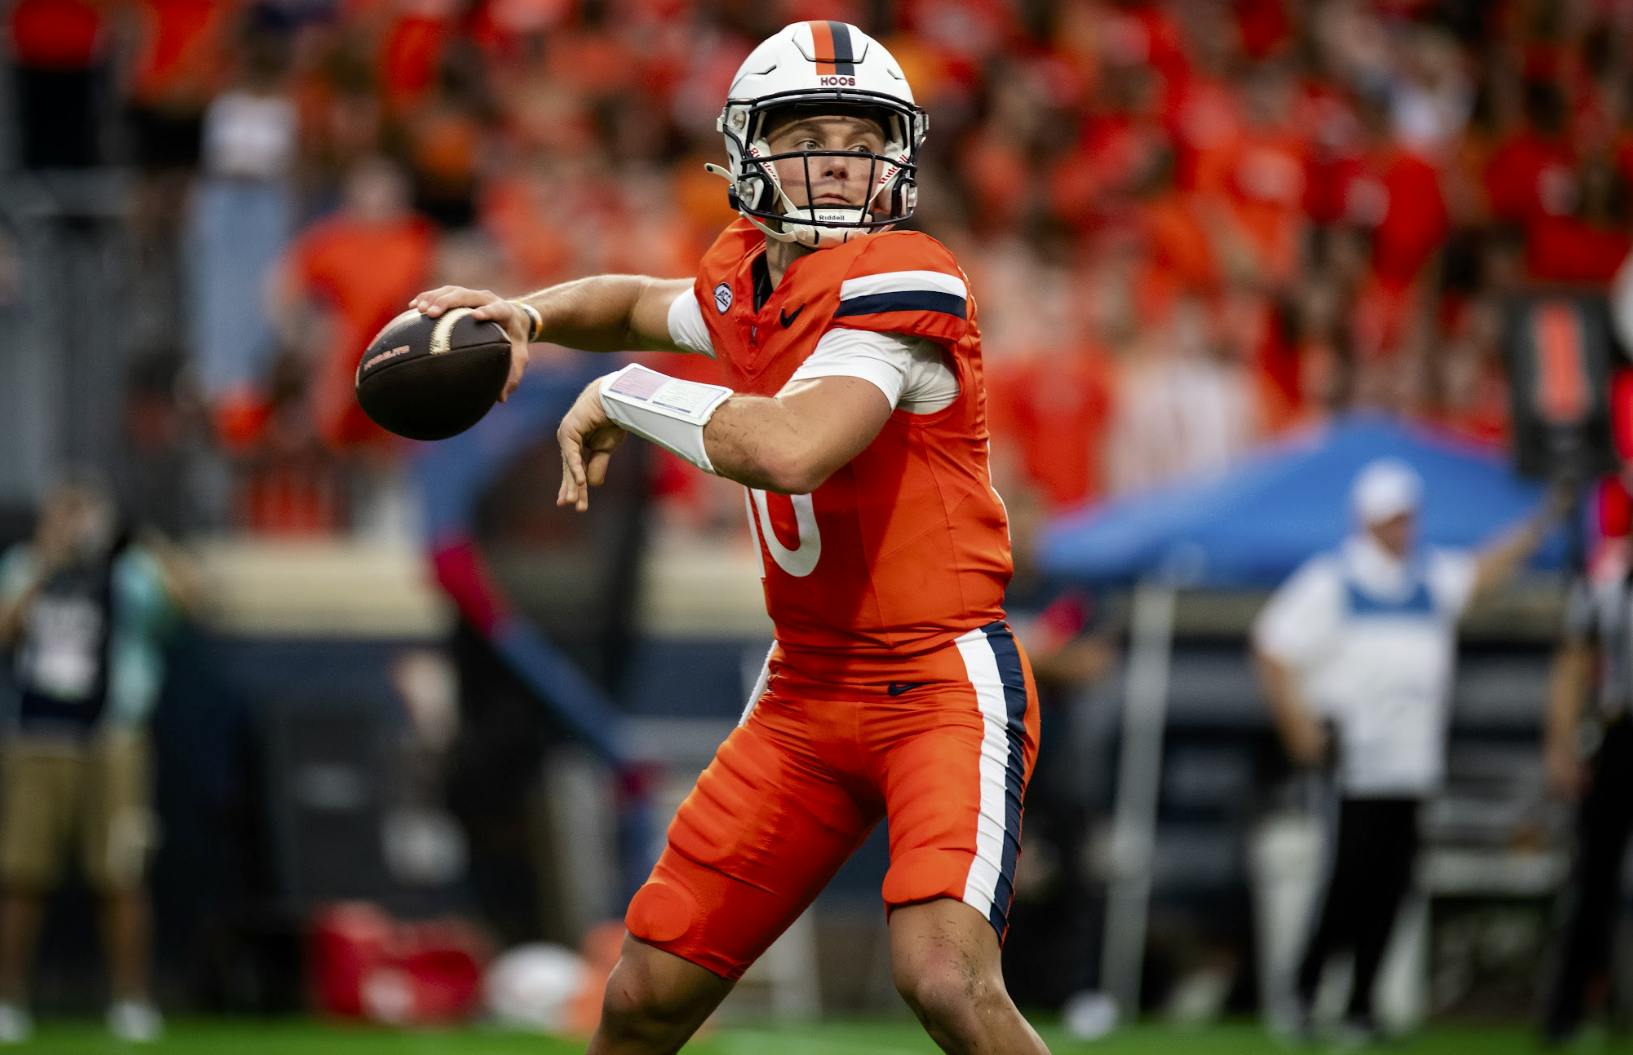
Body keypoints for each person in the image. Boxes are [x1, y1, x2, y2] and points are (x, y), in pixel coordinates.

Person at [409, 22, 1051, 1054]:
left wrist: (623, 396)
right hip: (804, 689)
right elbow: (632, 301)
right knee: (644, 990)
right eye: (809, 130)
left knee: (943, 976)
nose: (840, 154)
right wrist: (523, 315)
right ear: (745, 149)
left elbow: (792, 447)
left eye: (862, 133)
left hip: (934, 680)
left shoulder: (906, 279)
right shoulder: (743, 276)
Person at [1251, 458, 1562, 1043]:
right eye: (1392, 518)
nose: (1402, 529)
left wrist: (1543, 521)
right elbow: (1273, 645)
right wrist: (1298, 727)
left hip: (1411, 764)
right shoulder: (1335, 578)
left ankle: (1362, 1004)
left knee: (1392, 886)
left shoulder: (1428, 578)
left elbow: (1485, 571)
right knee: (1346, 882)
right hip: (1356, 763)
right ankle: (1305, 993)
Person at [0, 472, 196, 1044]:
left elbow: (191, 599)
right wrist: (46, 560)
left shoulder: (126, 573)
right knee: (21, 873)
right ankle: (8, 998)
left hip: (113, 736)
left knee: (122, 874)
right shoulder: (23, 566)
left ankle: (131, 1001)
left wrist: (140, 540)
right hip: (38, 737)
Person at [1537, 510, 1633, 1046]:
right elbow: (1574, 661)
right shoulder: (1608, 572)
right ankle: (1567, 1010)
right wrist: (1561, 745)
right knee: (1593, 875)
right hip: (1620, 731)